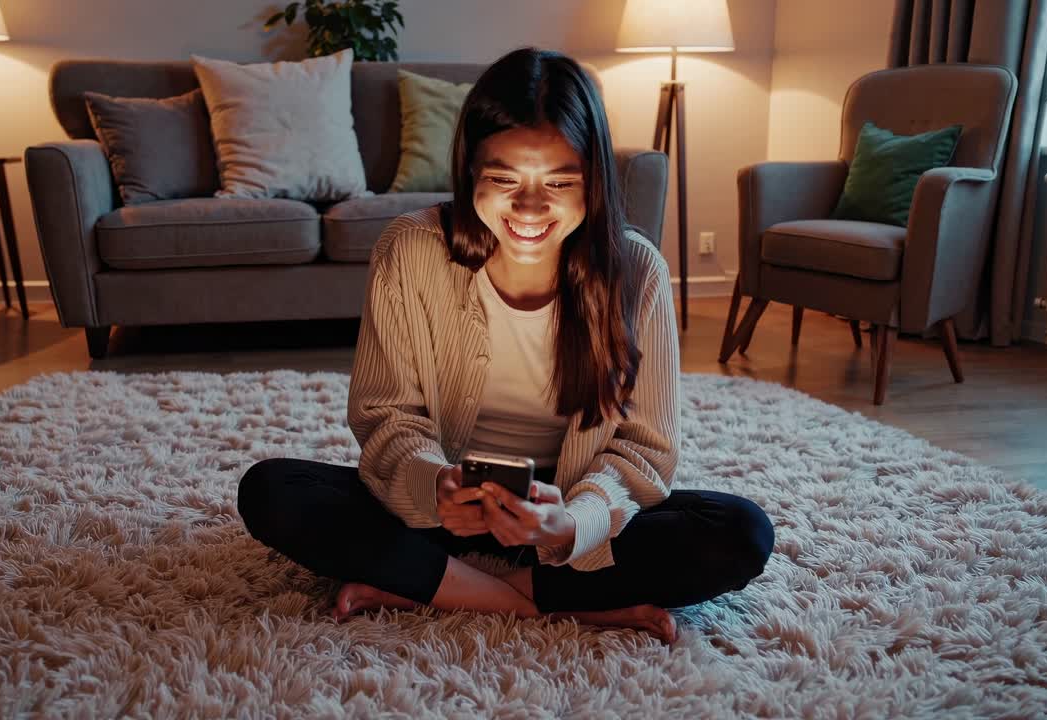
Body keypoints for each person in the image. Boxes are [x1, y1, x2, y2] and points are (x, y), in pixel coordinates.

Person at [237, 47, 774, 644]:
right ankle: (555, 602)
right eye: (504, 179)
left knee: (740, 533)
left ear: (593, 179)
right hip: (446, 506)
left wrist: (572, 522)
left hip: (564, 509)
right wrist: (432, 487)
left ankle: (433, 586)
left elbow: (644, 452)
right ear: (470, 173)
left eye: (560, 182)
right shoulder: (411, 250)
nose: (529, 207)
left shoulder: (635, 271)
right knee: (272, 491)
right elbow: (385, 417)